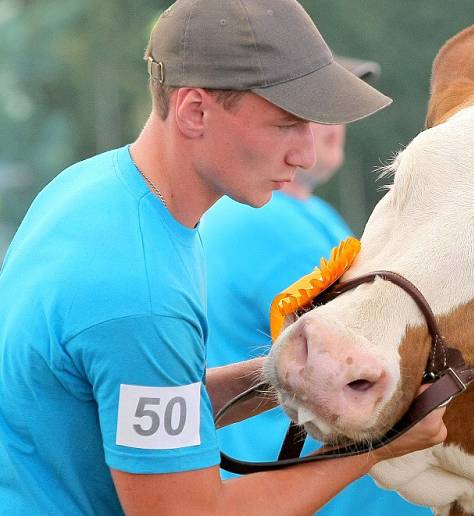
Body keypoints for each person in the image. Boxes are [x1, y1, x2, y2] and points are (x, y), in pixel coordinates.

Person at [0, 1, 447, 515]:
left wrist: (277, 375)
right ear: (194, 111)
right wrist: (379, 443)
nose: (304, 154)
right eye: (286, 125)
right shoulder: (141, 293)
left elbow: (128, 399)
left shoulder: (92, 188)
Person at [201, 57, 433, 515]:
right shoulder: (265, 220)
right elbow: (373, 352)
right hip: (302, 490)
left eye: (339, 107)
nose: (330, 127)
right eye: (309, 111)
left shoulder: (308, 215)